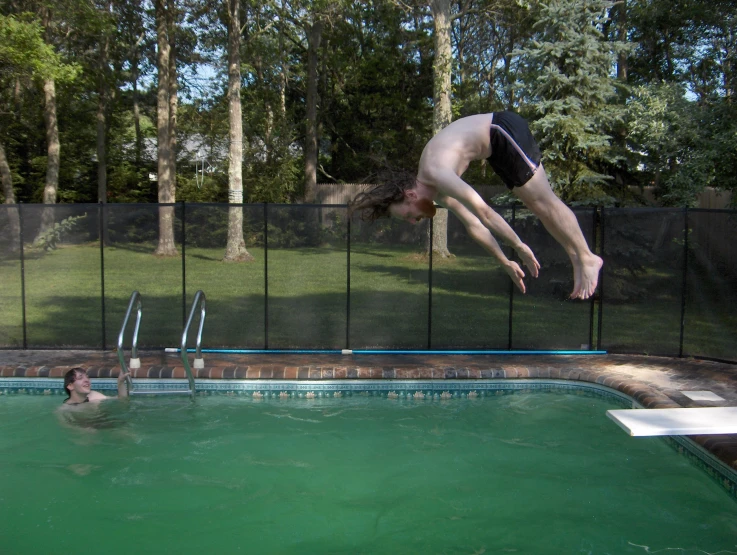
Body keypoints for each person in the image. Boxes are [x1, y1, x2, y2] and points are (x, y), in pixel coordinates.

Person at [349, 112, 603, 299]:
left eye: (408, 216)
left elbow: (484, 212)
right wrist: (504, 260)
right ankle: (577, 257)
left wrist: (519, 246)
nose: (414, 221)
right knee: (538, 205)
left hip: (500, 130)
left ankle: (588, 257)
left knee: (543, 201)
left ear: (411, 196)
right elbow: (475, 226)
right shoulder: (438, 190)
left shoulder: (435, 172)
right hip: (495, 149)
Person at [60, 367, 129, 407]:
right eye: (80, 378)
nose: (87, 380)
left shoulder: (93, 396)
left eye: (87, 377)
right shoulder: (66, 409)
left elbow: (122, 400)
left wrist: (120, 382)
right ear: (70, 386)